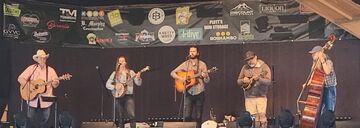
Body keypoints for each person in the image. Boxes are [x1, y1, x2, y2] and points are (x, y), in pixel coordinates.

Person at [17, 49, 60, 128]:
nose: (43, 59)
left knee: (45, 120)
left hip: (46, 101)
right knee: (30, 120)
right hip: (32, 99)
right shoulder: (31, 68)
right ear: (37, 59)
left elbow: (55, 84)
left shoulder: (51, 70)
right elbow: (20, 78)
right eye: (41, 58)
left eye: (44, 58)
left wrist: (56, 83)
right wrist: (30, 85)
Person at [170, 46, 210, 128]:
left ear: (197, 53)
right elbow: (172, 73)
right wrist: (181, 78)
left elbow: (207, 81)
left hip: (200, 92)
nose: (192, 53)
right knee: (187, 116)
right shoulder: (186, 64)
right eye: (190, 51)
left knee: (198, 116)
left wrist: (205, 76)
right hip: (188, 92)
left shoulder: (202, 64)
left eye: (194, 51)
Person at [237, 51, 271, 128]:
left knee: (262, 117)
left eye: (251, 59)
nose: (249, 61)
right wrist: (243, 80)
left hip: (261, 96)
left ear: (255, 57)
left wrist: (259, 79)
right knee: (252, 118)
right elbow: (238, 81)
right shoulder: (245, 68)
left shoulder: (264, 67)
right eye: (248, 60)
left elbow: (268, 82)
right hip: (249, 97)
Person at [106, 56, 142, 128]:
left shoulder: (131, 72)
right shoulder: (115, 73)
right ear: (118, 63)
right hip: (118, 96)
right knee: (120, 116)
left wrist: (138, 77)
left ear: (126, 62)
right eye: (120, 61)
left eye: (123, 61)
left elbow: (138, 84)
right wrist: (115, 86)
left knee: (132, 115)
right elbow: (107, 84)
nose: (122, 62)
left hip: (129, 96)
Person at [308, 46, 337, 112]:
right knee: (319, 110)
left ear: (319, 53)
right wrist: (308, 82)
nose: (312, 55)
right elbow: (313, 74)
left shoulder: (328, 61)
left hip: (329, 88)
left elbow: (327, 72)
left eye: (314, 53)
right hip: (321, 89)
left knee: (329, 109)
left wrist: (322, 59)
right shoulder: (315, 63)